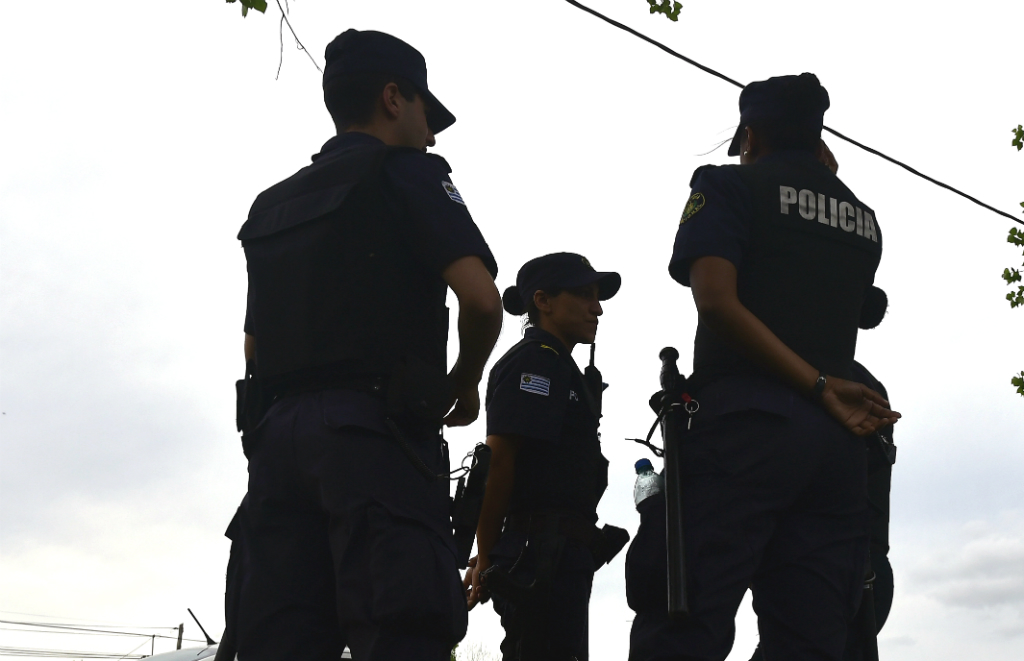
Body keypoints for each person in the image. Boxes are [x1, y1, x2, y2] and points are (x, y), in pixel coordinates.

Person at [228, 29, 503, 661]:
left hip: (275, 445)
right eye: (426, 114)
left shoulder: (272, 203)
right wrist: (463, 383)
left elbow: (252, 348)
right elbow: (483, 301)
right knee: (402, 629)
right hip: (373, 437)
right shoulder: (408, 174)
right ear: (392, 97)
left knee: (279, 639)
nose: (431, 136)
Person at [626, 73, 901, 661]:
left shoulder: (727, 186)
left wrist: (816, 385)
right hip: (837, 446)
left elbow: (716, 301)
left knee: (684, 623)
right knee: (811, 638)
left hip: (745, 427)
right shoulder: (864, 217)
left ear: (749, 134)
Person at [463, 253, 627, 661]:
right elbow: (499, 462)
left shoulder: (561, 367)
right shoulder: (534, 361)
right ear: (543, 301)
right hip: (541, 554)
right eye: (584, 295)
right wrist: (487, 555)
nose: (597, 308)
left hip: (560, 552)